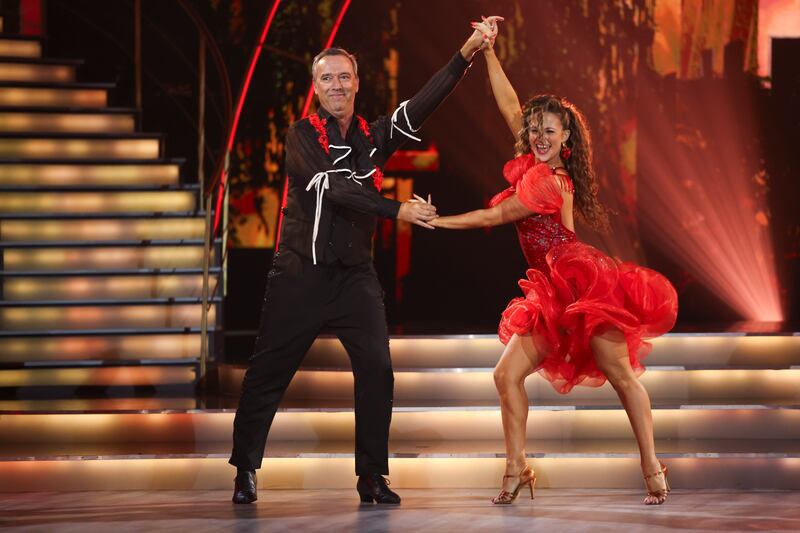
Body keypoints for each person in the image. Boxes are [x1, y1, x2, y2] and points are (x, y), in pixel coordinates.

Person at [228, 24, 494, 505]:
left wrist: (468, 52)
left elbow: (422, 103)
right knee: (268, 373)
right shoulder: (301, 135)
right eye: (327, 78)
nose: (336, 85)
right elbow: (336, 188)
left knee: (377, 369)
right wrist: (399, 210)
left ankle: (371, 476)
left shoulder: (374, 137)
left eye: (344, 77)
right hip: (299, 275)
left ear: (356, 82)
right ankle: (245, 468)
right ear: (316, 87)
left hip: (354, 277)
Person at [429, 17, 678, 505]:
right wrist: (489, 50)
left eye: (549, 131)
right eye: (534, 130)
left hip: (582, 288)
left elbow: (496, 213)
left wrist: (435, 221)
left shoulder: (549, 181)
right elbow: (508, 105)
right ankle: (516, 469)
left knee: (622, 376)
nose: (538, 136)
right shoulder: (533, 165)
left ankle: (652, 468)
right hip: (549, 289)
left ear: (566, 137)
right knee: (505, 376)